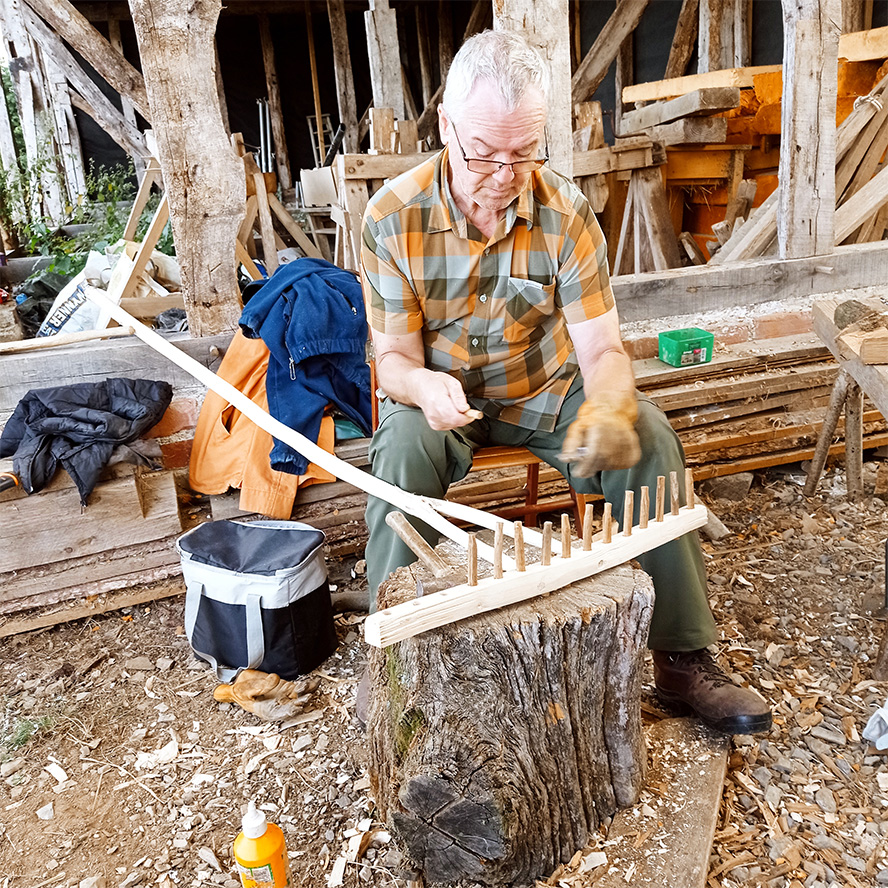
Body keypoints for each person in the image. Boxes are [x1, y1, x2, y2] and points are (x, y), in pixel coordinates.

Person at [359, 29, 771, 736]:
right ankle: (393, 657)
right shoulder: (391, 219)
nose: (504, 174)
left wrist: (610, 407)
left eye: (524, 153)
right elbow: (391, 360)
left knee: (647, 434)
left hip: (547, 394)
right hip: (443, 399)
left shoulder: (566, 213)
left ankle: (680, 659)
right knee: (398, 456)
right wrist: (423, 387)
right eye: (484, 153)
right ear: (447, 128)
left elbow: (604, 349)